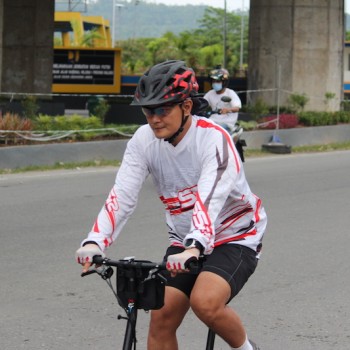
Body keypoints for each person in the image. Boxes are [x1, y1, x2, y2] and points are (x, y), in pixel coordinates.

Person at [76, 60, 267, 350]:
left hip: (234, 236)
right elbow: (123, 195)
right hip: (185, 241)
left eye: (163, 109)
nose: (154, 119)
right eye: (148, 110)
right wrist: (95, 241)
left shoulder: (214, 139)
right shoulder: (143, 141)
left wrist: (195, 245)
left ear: (186, 107)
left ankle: (246, 349)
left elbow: (208, 199)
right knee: (161, 316)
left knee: (206, 303)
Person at [203, 67, 242, 131]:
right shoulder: (210, 93)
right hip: (212, 121)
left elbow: (237, 108)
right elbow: (202, 103)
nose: (215, 83)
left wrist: (228, 110)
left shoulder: (230, 93)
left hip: (226, 123)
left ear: (224, 82)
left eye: (218, 81)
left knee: (216, 132)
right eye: (213, 81)